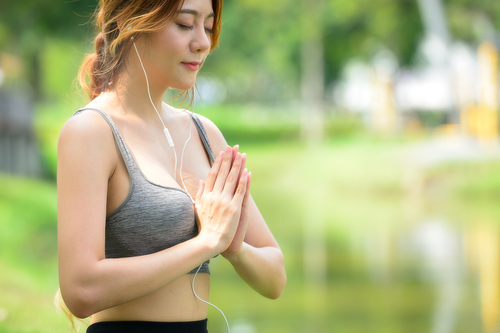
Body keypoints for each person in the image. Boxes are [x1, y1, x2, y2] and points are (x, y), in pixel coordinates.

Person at [56, 0, 286, 332]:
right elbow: (80, 290)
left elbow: (275, 278)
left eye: (207, 26)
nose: (203, 42)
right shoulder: (91, 132)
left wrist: (235, 249)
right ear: (129, 22)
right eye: (184, 24)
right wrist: (205, 245)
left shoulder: (205, 134)